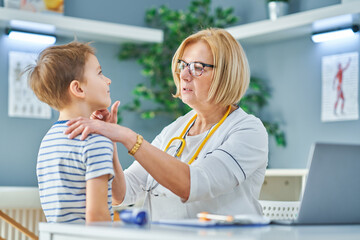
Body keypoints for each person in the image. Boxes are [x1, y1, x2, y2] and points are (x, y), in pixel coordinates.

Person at [65, 28, 269, 220]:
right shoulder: (175, 129)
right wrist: (109, 142)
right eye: (183, 65)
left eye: (198, 67)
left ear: (226, 74)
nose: (184, 75)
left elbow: (192, 185)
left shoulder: (248, 130)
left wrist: (128, 137)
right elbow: (122, 193)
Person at [27, 42, 120, 223]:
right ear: (78, 89)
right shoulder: (94, 141)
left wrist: (111, 136)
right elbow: (97, 218)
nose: (108, 80)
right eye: (99, 73)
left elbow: (119, 194)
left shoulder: (48, 141)